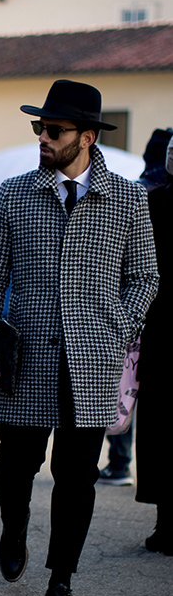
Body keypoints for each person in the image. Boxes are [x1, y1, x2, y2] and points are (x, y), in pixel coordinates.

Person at [0, 80, 158, 596]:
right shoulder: (15, 192)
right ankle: (14, 528)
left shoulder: (129, 198)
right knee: (13, 464)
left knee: (76, 477)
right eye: (39, 127)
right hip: (28, 356)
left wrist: (116, 330)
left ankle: (60, 585)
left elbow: (146, 276)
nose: (43, 138)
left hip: (93, 361)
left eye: (53, 130)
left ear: (87, 137)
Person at [99, 127, 172, 487]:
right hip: (147, 313)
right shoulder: (149, 195)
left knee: (125, 384)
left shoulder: (139, 193)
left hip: (138, 314)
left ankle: (119, 461)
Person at [135, 133, 173, 555]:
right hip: (158, 334)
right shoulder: (152, 202)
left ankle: (166, 522)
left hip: (159, 335)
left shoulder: (154, 202)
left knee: (161, 428)